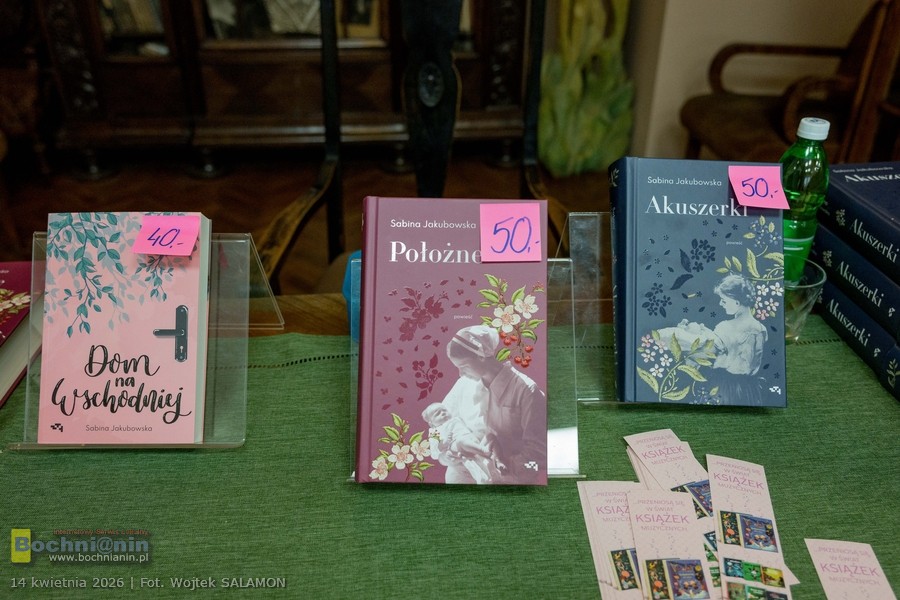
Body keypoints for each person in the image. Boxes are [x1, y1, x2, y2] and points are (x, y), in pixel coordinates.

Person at [439, 325, 547, 484]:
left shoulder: (526, 391)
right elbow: (437, 427)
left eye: (464, 366)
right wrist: (455, 447)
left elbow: (539, 456)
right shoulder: (463, 385)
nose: (461, 374)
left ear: (481, 356)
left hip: (506, 484)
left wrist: (496, 468)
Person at [708, 274, 768, 404]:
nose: (720, 304)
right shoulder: (761, 329)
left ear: (736, 302)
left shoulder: (724, 327)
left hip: (726, 388)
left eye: (723, 301)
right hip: (750, 390)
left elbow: (711, 356)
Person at [421, 402, 505, 484]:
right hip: (457, 446)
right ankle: (484, 452)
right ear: (431, 424)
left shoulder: (456, 419)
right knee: (461, 441)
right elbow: (434, 452)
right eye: (437, 413)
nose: (443, 413)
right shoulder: (434, 431)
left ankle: (498, 460)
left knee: (490, 435)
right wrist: (444, 444)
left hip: (473, 443)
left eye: (444, 410)